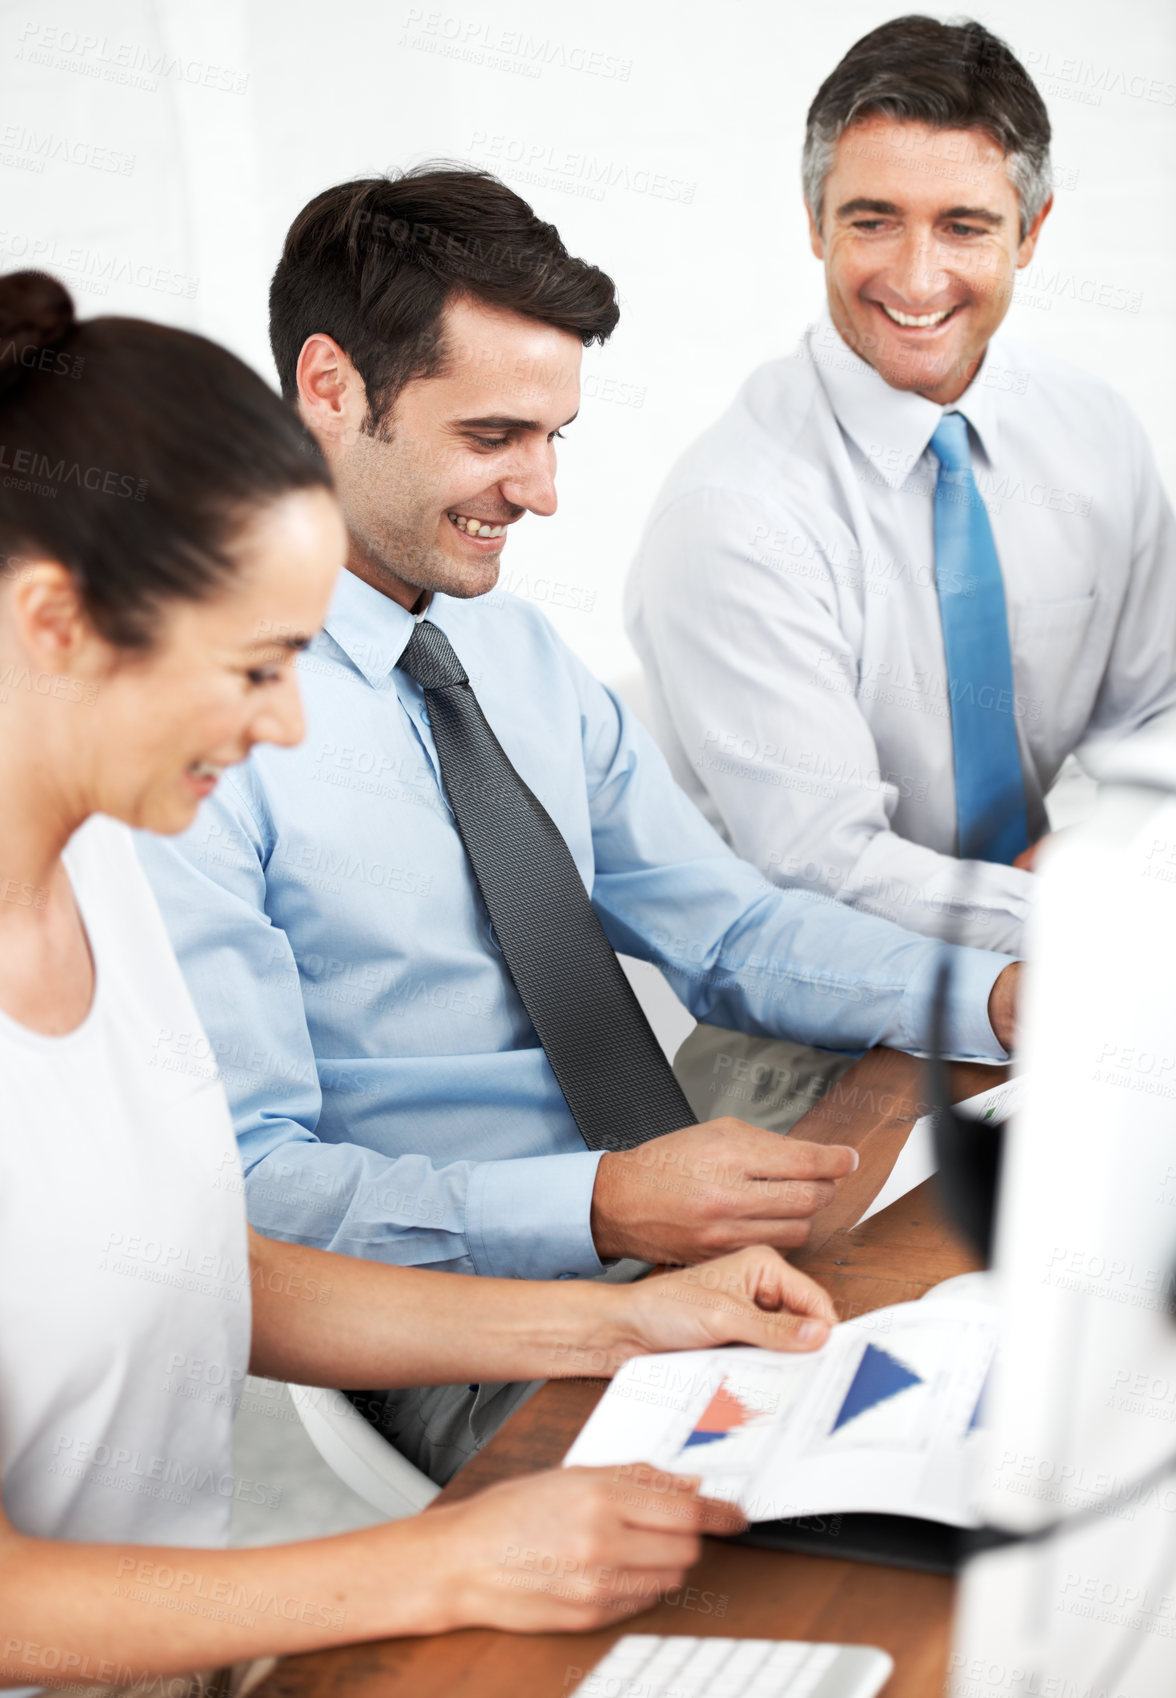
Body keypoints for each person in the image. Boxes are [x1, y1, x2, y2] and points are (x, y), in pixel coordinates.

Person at [0, 269, 844, 1696]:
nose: (286, 721)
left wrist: (622, 1316)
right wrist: (444, 1558)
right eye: (258, 667)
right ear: (54, 623)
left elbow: (191, 1260)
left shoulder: (99, 885)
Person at [137, 166, 1019, 1486]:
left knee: (1022, 1392)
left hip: (681, 1237)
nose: (541, 491)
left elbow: (726, 927)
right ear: (330, 387)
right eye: (496, 434)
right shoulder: (188, 735)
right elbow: (247, 1198)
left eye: (556, 436)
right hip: (462, 1324)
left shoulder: (513, 651)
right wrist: (598, 1203)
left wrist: (1001, 996)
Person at [625, 15, 1176, 1134]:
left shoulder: (1094, 437)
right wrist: (1087, 917)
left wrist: (1105, 844)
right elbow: (824, 868)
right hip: (811, 1027)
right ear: (814, 225)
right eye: (873, 221)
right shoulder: (734, 514)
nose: (916, 277)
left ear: (1031, 231)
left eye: (963, 225)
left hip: (1077, 977)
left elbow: (1157, 720)